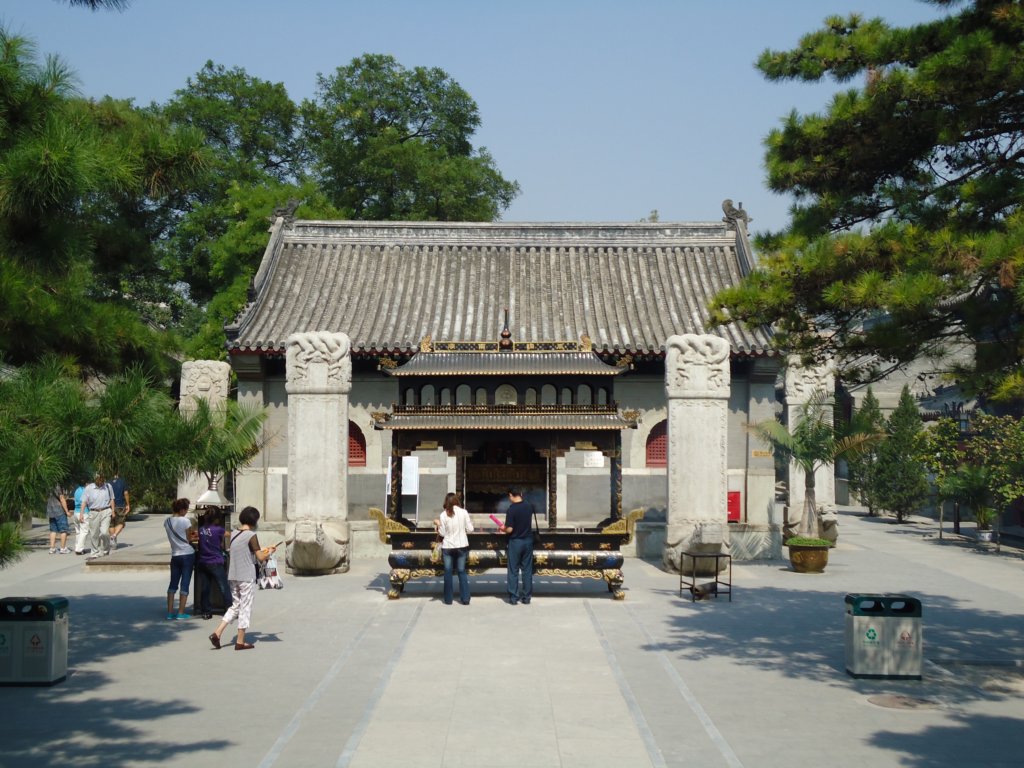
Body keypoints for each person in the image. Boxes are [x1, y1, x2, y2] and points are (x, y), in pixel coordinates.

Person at [209, 506, 276, 651]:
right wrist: (270, 552)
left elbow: (247, 551)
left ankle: (217, 633)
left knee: (235, 606)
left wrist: (264, 550)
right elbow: (260, 557)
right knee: (245, 608)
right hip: (246, 576)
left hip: (233, 575)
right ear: (254, 520)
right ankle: (240, 641)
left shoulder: (234, 533)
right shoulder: (251, 535)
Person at [434, 492, 473, 605]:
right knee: (461, 571)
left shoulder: (443, 514)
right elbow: (470, 529)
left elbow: (442, 533)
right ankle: (465, 598)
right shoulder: (464, 512)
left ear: (446, 501)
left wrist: (438, 524)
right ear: (457, 500)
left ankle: (448, 599)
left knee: (448, 572)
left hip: (448, 547)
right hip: (461, 545)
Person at [500, 487, 535, 605]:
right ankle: (526, 597)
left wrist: (502, 528)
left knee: (513, 570)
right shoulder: (529, 506)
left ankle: (514, 597)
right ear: (520, 493)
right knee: (527, 570)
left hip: (515, 542)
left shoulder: (512, 509)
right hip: (528, 541)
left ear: (511, 495)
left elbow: (509, 529)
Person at [195, 508, 232, 620]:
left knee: (205, 588)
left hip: (203, 561)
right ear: (216, 519)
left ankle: (206, 611)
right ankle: (230, 609)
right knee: (223, 586)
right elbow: (228, 534)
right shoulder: (219, 529)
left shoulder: (201, 529)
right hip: (215, 561)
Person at [164, 498, 196, 620]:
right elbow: (189, 538)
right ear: (182, 510)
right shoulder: (185, 521)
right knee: (185, 583)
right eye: (186, 510)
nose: (186, 512)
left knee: (173, 584)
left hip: (175, 555)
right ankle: (181, 612)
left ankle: (169, 612)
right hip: (187, 554)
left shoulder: (167, 521)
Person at [80, 472, 115, 559]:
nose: (100, 483)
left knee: (104, 532)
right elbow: (84, 501)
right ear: (95, 480)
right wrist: (81, 514)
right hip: (94, 512)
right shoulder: (89, 488)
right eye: (98, 480)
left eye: (102, 481)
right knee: (94, 534)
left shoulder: (108, 486)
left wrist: (113, 511)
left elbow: (112, 499)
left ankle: (106, 549)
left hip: (106, 511)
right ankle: (95, 552)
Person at [108, 472, 130, 551]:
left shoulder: (108, 483)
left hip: (110, 505)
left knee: (111, 524)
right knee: (121, 523)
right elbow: (126, 493)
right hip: (120, 505)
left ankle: (113, 543)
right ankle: (114, 536)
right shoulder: (122, 482)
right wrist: (128, 504)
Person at [46, 485, 70, 554]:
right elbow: (62, 499)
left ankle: (52, 548)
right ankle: (63, 548)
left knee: (53, 530)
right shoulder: (57, 486)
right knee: (63, 530)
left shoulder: (47, 485)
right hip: (59, 511)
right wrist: (67, 511)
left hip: (51, 511)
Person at [72, 477, 89, 555]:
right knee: (84, 531)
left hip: (76, 511)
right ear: (86, 483)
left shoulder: (77, 490)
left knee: (78, 531)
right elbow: (86, 502)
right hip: (83, 512)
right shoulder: (85, 491)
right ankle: (79, 549)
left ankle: (77, 546)